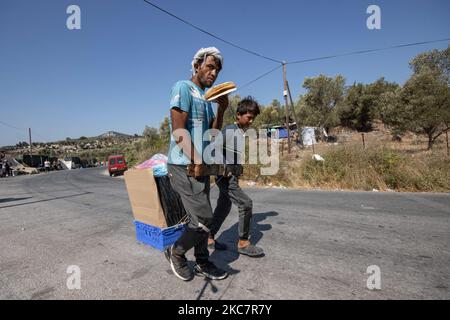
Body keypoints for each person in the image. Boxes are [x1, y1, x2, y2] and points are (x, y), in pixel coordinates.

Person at [165, 47, 229, 281]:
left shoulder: (206, 98)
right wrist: (197, 158)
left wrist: (221, 109)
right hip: (184, 165)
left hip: (199, 165)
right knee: (203, 219)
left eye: (217, 70)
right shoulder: (183, 87)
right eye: (210, 67)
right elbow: (179, 130)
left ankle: (202, 261)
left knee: (203, 217)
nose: (214, 73)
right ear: (197, 65)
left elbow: (212, 134)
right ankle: (178, 253)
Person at [208, 97, 264, 257]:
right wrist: (223, 167)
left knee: (223, 207)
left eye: (253, 118)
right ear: (238, 115)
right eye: (249, 117)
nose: (251, 121)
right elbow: (212, 150)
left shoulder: (238, 132)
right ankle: (243, 242)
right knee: (246, 204)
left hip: (231, 175)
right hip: (225, 177)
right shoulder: (231, 130)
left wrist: (237, 167)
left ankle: (209, 238)